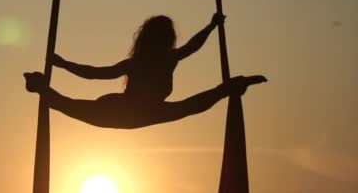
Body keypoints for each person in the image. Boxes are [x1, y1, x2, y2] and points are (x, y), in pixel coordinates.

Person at [24, 13, 266, 129]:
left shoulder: (166, 58)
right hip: (123, 110)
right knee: (69, 106)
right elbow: (95, 73)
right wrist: (62, 63)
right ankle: (39, 86)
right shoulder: (152, 61)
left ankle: (230, 88)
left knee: (68, 106)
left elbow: (193, 46)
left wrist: (212, 26)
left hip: (144, 112)